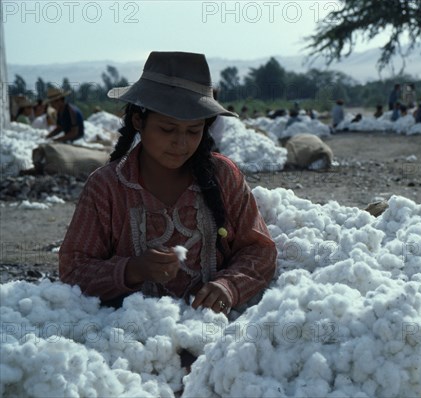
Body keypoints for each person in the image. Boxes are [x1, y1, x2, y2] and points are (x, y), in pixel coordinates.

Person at [58, 51, 278, 314]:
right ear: (139, 121)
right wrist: (131, 270)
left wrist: (229, 286)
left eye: (193, 131)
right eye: (167, 129)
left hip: (215, 330)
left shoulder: (224, 176)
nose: (181, 143)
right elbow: (73, 270)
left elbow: (260, 251)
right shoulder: (107, 187)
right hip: (129, 335)